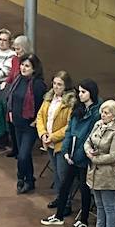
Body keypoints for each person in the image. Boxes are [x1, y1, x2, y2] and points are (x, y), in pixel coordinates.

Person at [49, 79, 99, 227]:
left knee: (84, 189)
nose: (80, 94)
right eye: (79, 91)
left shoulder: (96, 113)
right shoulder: (77, 109)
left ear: (91, 93)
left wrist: (76, 155)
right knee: (65, 185)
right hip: (71, 155)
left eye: (83, 92)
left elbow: (89, 137)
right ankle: (58, 216)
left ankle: (83, 220)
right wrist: (65, 151)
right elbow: (69, 130)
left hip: (83, 158)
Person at [84, 99, 115, 227]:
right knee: (99, 204)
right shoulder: (98, 124)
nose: (103, 114)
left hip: (109, 173)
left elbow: (114, 156)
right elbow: (88, 141)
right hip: (94, 172)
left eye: (106, 112)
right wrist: (88, 151)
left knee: (109, 206)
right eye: (102, 111)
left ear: (114, 116)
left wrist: (95, 158)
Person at [35, 70, 75, 207]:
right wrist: (43, 134)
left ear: (66, 86)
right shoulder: (48, 98)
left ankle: (66, 202)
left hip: (61, 144)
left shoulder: (70, 103)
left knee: (62, 174)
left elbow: (69, 125)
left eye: (60, 84)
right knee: (56, 174)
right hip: (49, 142)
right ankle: (60, 198)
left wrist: (52, 137)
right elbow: (40, 116)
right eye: (54, 83)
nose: (56, 87)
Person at [8, 53, 45, 194]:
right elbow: (12, 97)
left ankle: (20, 177)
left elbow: (42, 106)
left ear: (34, 69)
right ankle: (29, 180)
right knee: (24, 155)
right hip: (17, 123)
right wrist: (10, 110)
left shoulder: (38, 85)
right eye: (22, 65)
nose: (23, 68)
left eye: (27, 66)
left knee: (23, 155)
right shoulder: (18, 79)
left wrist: (36, 121)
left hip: (30, 125)